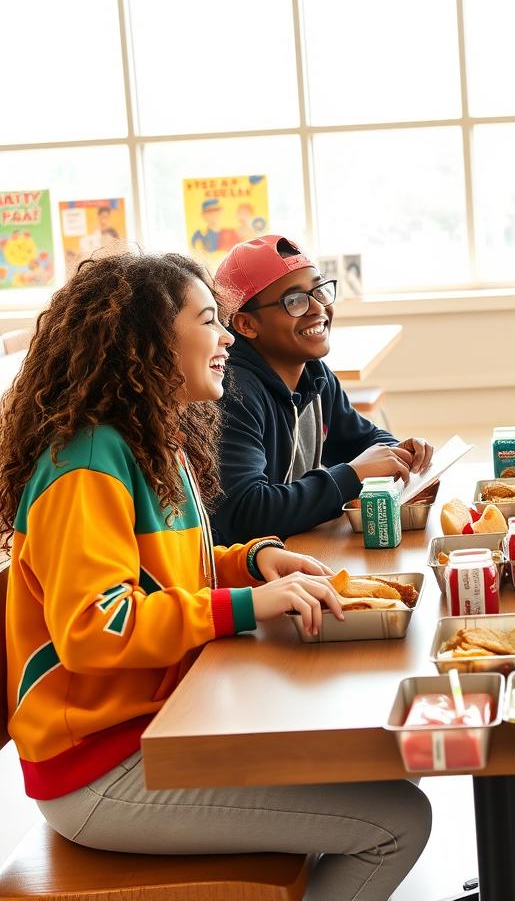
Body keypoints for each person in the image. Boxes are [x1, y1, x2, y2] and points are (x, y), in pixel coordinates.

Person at [0, 252, 431, 901]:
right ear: (147, 344)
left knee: (382, 774)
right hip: (102, 767)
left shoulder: (148, 440)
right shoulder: (86, 464)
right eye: (208, 320)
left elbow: (168, 575)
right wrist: (244, 606)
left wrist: (254, 560)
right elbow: (97, 628)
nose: (228, 335)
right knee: (397, 820)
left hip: (164, 730)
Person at [211, 234, 433, 543]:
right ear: (247, 324)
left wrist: (400, 452)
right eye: (294, 301)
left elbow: (361, 442)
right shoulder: (232, 393)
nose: (318, 308)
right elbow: (247, 514)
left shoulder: (313, 374)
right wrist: (352, 475)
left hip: (291, 557)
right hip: (244, 580)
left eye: (319, 291)